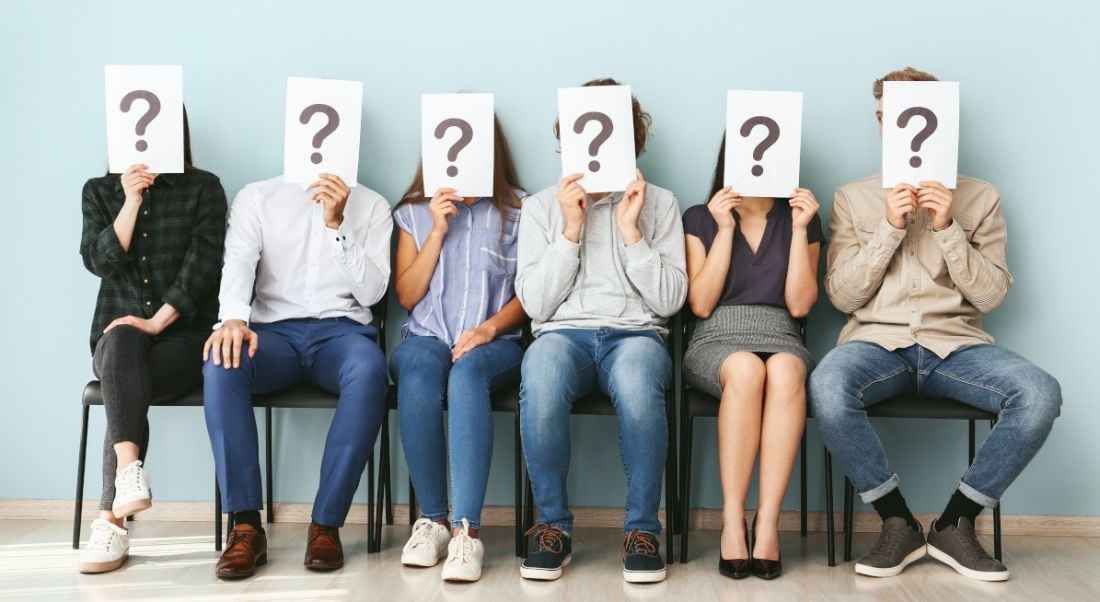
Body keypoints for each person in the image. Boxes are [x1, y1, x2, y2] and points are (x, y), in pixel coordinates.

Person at [809, 67, 1062, 582]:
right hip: (877, 344)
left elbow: (990, 295)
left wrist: (948, 229)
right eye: (885, 117)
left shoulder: (981, 196)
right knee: (827, 385)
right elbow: (841, 296)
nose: (891, 128)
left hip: (958, 347)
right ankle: (896, 521)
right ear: (881, 122)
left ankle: (957, 522)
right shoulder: (853, 197)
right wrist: (888, 227)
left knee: (1039, 393)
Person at [516, 78, 687, 584]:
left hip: (636, 336)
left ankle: (642, 530)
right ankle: (551, 527)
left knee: (638, 384)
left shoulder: (661, 204)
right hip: (560, 335)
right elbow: (535, 303)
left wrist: (632, 232)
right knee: (541, 376)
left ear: (631, 143)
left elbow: (671, 301)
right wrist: (570, 229)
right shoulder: (542, 206)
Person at [202, 168, 392, 579]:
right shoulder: (257, 196)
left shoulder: (373, 205)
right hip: (273, 335)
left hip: (341, 335)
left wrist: (337, 224)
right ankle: (246, 524)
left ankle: (326, 523)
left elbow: (373, 295)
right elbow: (237, 264)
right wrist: (232, 319)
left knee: (370, 368)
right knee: (222, 360)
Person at [78, 110, 227, 573]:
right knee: (122, 345)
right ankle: (129, 475)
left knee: (126, 384)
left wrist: (159, 322)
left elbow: (204, 266)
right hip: (115, 336)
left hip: (183, 336)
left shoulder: (204, 188)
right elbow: (98, 261)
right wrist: (130, 200)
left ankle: (109, 521)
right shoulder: (99, 191)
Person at [390, 116, 527, 582]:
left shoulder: (519, 211)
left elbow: (529, 296)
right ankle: (433, 521)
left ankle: (467, 531)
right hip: (427, 337)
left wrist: (488, 329)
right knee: (419, 376)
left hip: (495, 343)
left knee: (467, 375)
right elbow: (407, 296)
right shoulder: (411, 211)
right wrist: (437, 230)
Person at [682, 137, 824, 580]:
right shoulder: (700, 217)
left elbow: (800, 306)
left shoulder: (802, 219)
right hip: (716, 337)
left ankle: (767, 521)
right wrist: (724, 229)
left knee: (782, 369)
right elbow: (701, 305)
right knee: (746, 367)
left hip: (781, 332)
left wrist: (801, 230)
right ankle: (732, 520)